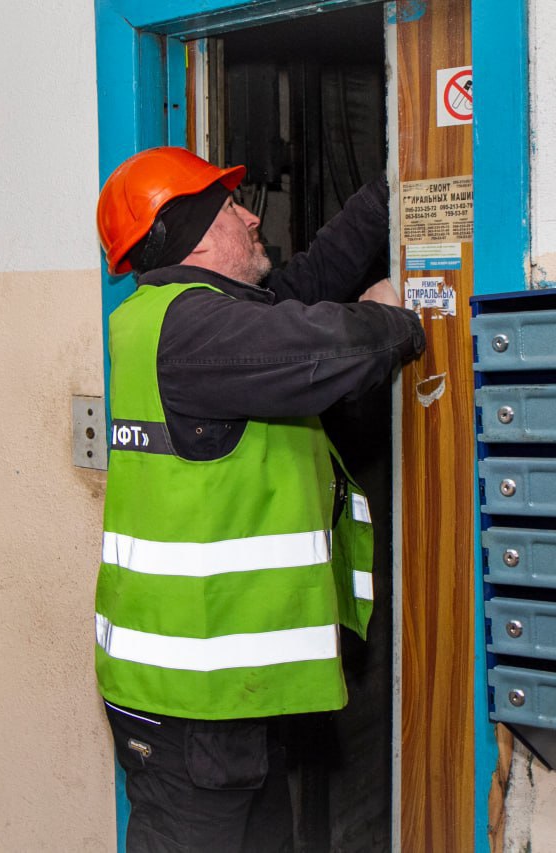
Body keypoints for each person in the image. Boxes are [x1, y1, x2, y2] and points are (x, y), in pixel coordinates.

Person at [93, 146, 425, 852]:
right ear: (197, 237)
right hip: (188, 705)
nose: (250, 217)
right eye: (229, 207)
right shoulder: (190, 330)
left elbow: (309, 280)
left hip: (224, 694)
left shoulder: (193, 318)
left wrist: (396, 185)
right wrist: (393, 317)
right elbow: (323, 345)